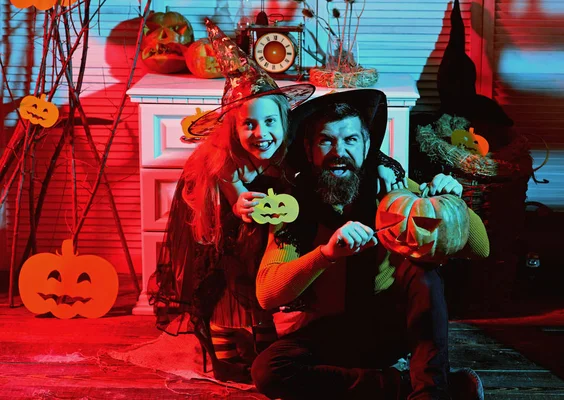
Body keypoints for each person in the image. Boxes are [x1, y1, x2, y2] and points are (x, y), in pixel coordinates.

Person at [147, 18, 407, 384]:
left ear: (286, 122)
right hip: (234, 233)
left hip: (276, 236)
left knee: (269, 281)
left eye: (270, 122)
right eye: (248, 125)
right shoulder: (225, 163)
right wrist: (240, 204)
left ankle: (265, 336)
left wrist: (382, 166)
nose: (261, 133)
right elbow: (236, 205)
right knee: (232, 286)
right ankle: (226, 348)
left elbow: (350, 154)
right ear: (233, 130)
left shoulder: (293, 153)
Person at [251, 89, 489, 399]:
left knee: (424, 273)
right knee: (268, 372)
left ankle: (429, 394)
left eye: (350, 140)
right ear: (309, 150)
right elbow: (267, 294)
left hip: (386, 328)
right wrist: (325, 255)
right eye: (327, 141)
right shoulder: (294, 207)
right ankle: (412, 386)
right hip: (325, 330)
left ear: (366, 146)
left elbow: (480, 248)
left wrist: (452, 203)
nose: (339, 152)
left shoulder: (394, 191)